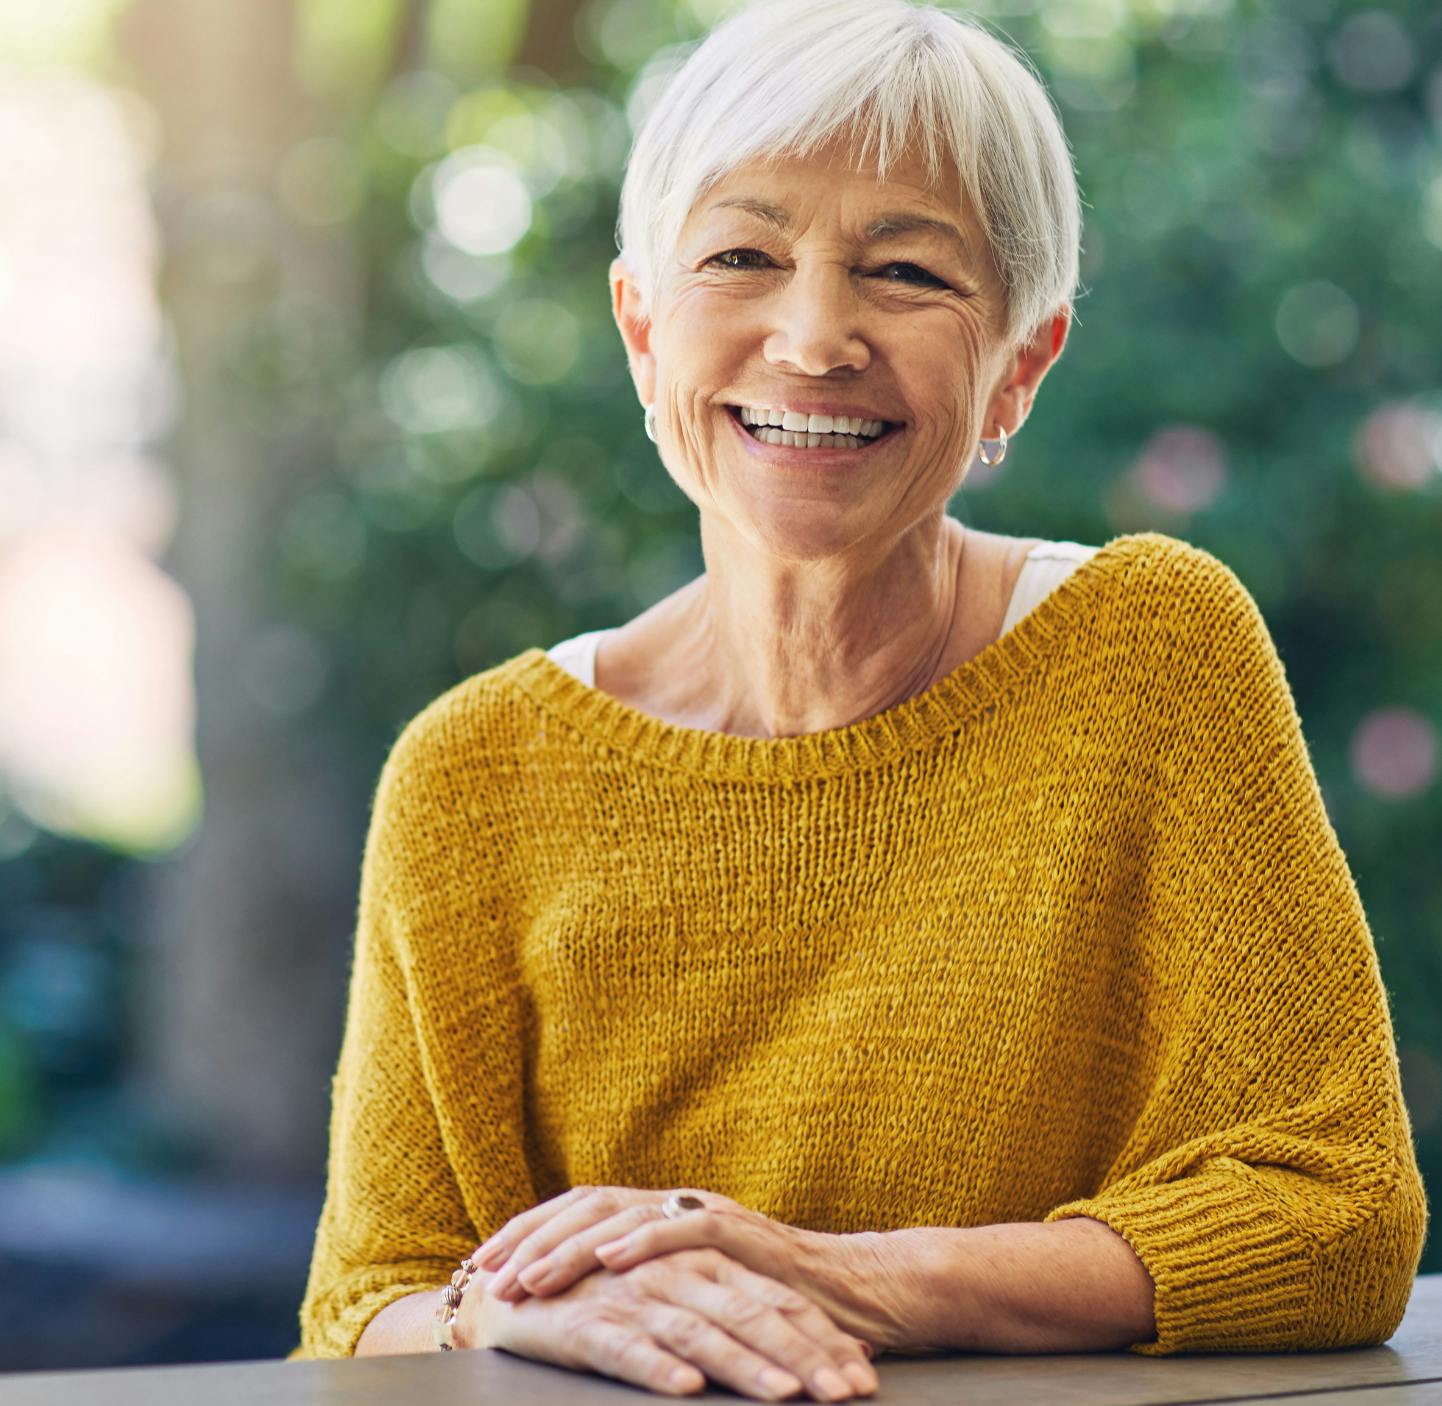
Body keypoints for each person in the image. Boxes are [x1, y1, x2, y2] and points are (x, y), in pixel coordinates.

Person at [289, 0, 1429, 1399]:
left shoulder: (1153, 654)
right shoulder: (473, 772)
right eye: (741, 257)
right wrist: (498, 1314)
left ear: (1020, 362)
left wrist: (849, 1276)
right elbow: (360, 1307)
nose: (814, 337)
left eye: (902, 271)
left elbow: (1336, 1213)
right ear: (641, 331)